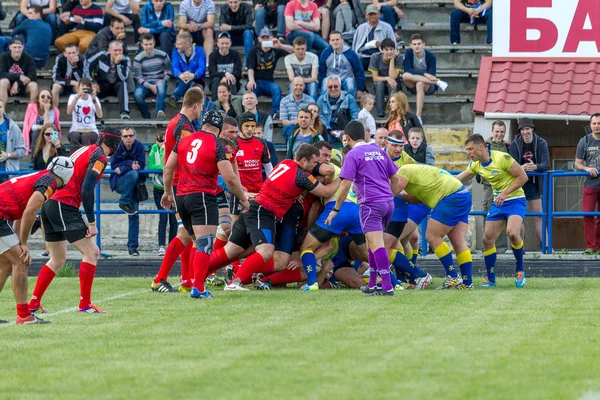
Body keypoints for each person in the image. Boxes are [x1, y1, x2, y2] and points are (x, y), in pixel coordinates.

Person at [207, 143, 340, 291]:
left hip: (256, 208)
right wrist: (344, 177)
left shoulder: (285, 163)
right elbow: (327, 192)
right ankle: (235, 282)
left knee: (232, 251)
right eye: (315, 162)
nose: (317, 165)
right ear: (303, 160)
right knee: (265, 252)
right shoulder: (301, 175)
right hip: (263, 212)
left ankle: (197, 275)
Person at [28, 126, 121, 314]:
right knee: (92, 252)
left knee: (58, 258)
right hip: (64, 204)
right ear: (114, 143)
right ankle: (84, 304)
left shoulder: (86, 149)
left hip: (50, 203)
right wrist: (92, 223)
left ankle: (34, 303)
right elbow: (87, 190)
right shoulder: (99, 157)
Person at [161, 110, 248, 299]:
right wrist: (243, 198)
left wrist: (168, 192)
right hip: (202, 195)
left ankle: (187, 280)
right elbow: (230, 179)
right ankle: (198, 287)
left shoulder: (184, 140)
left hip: (181, 196)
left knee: (191, 239)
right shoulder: (217, 145)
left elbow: (168, 168)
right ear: (218, 128)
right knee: (205, 243)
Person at [325, 121, 401, 296]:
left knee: (376, 244)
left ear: (347, 138)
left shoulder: (353, 154)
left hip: (370, 204)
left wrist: (336, 209)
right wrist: (390, 195)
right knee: (371, 243)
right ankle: (373, 283)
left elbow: (345, 185)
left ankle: (387, 286)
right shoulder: (379, 152)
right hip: (387, 203)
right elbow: (396, 178)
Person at [0, 156, 73, 324]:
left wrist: (19, 242)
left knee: (5, 264)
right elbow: (29, 212)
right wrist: (23, 245)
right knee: (21, 261)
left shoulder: (41, 176)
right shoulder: (49, 183)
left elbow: (21, 213)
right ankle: (24, 315)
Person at [151, 87, 204, 293]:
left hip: (178, 183)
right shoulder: (184, 126)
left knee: (187, 232)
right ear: (196, 105)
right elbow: (188, 157)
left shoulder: (175, 121)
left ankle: (186, 279)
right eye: (201, 107)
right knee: (187, 233)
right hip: (184, 183)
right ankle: (161, 278)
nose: (200, 111)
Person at [458, 134, 528, 287]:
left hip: (515, 200)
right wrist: (440, 180)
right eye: (467, 150)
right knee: (487, 238)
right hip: (499, 203)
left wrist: (505, 193)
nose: (468, 153)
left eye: (470, 149)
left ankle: (520, 271)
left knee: (512, 233)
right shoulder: (476, 164)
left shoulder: (502, 157)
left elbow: (523, 177)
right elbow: (459, 178)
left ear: (481, 147)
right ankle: (491, 279)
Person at [299, 141, 366, 290]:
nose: (326, 159)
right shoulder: (343, 171)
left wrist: (310, 229)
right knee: (369, 253)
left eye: (329, 156)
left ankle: (312, 284)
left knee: (306, 249)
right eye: (324, 155)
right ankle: (393, 281)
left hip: (337, 211)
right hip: (355, 212)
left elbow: (316, 206)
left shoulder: (321, 169)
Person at [395, 163, 473, 289]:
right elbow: (416, 199)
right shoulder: (414, 170)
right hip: (462, 193)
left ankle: (452, 276)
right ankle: (467, 283)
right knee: (458, 241)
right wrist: (402, 196)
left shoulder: (402, 171)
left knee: (432, 236)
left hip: (450, 196)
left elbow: (392, 191)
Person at [382, 130, 432, 289]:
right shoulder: (377, 155)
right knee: (402, 240)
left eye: (401, 146)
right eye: (394, 145)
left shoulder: (409, 162)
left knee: (387, 246)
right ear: (386, 143)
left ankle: (414, 276)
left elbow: (415, 187)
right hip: (387, 204)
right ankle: (405, 278)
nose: (398, 149)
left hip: (402, 204)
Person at [509, 118, 549, 249]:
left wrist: (535, 167)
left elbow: (546, 164)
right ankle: (520, 248)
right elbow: (510, 166)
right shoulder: (515, 145)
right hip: (518, 185)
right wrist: (522, 168)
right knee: (519, 218)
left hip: (534, 185)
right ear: (520, 132)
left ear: (532, 129)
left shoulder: (541, 143)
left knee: (538, 216)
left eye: (528, 129)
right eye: (523, 129)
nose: (526, 132)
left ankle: (548, 247)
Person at [109, 127, 146, 256]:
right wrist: (130, 164)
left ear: (134, 136)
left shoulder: (139, 146)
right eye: (125, 136)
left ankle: (132, 247)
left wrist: (123, 166)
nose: (128, 138)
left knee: (134, 214)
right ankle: (123, 200)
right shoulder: (117, 147)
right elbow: (113, 166)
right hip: (120, 183)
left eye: (130, 135)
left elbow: (141, 163)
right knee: (133, 174)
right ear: (121, 137)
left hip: (135, 186)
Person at [231, 112, 273, 218]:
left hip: (257, 193)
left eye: (253, 126)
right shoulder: (233, 143)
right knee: (234, 227)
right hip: (239, 192)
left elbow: (269, 168)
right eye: (247, 126)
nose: (250, 129)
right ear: (240, 126)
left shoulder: (261, 143)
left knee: (255, 223)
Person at [246, 28, 293, 118]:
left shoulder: (275, 50)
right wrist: (251, 80)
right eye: (263, 38)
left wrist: (281, 45)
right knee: (249, 93)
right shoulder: (254, 50)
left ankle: (275, 113)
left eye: (267, 38)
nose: (265, 40)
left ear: (271, 38)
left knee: (276, 89)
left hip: (268, 82)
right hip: (256, 82)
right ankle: (250, 113)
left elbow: (295, 51)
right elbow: (250, 67)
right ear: (259, 39)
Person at [402, 33, 448, 122]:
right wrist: (424, 74)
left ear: (423, 44)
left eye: (419, 44)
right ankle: (438, 82)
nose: (417, 46)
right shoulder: (409, 53)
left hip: (427, 86)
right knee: (405, 76)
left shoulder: (431, 56)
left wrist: (425, 76)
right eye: (414, 44)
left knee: (420, 83)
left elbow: (431, 75)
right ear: (411, 45)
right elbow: (407, 69)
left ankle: (418, 116)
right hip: (413, 84)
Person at [480, 120, 510, 252]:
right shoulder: (484, 146)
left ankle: (502, 248)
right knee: (488, 215)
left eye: (502, 132)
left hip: (504, 188)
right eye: (497, 131)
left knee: (502, 216)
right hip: (489, 187)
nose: (499, 134)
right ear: (492, 132)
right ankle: (487, 246)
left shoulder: (508, 147)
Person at [86, 40, 131, 120]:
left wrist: (118, 64)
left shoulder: (126, 59)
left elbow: (123, 77)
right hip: (103, 84)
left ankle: (124, 112)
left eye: (120, 50)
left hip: (117, 85)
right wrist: (92, 82)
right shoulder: (101, 56)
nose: (118, 53)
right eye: (115, 50)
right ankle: (94, 114)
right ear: (109, 51)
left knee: (123, 83)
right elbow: (88, 65)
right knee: (92, 90)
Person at [148, 132, 177, 257]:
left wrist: (167, 168)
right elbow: (153, 166)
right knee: (163, 216)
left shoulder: (173, 148)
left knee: (174, 219)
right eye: (159, 141)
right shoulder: (155, 149)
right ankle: (161, 246)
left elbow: (170, 167)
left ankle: (172, 246)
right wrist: (161, 151)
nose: (161, 143)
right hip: (159, 189)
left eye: (164, 141)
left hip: (172, 188)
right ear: (156, 141)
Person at [575, 113, 600, 255]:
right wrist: (587, 168)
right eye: (594, 123)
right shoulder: (584, 141)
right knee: (588, 215)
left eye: (599, 123)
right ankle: (591, 247)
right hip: (590, 184)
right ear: (590, 125)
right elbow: (577, 164)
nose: (597, 126)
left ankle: (599, 246)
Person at [133, 33, 171, 120]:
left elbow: (168, 70)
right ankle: (146, 116)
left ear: (154, 43)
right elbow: (138, 77)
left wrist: (163, 79)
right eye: (146, 44)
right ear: (142, 45)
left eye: (150, 44)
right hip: (145, 83)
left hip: (159, 80)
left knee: (161, 86)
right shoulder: (138, 59)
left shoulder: (163, 55)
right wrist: (150, 86)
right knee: (137, 94)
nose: (148, 47)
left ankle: (160, 111)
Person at [319, 31, 365, 97]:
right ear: (330, 42)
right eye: (333, 40)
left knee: (350, 82)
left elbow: (359, 71)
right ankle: (324, 105)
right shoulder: (325, 53)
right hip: (331, 80)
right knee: (325, 82)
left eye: (337, 39)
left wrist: (360, 89)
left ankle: (349, 104)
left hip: (345, 80)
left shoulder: (351, 53)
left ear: (342, 40)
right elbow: (321, 72)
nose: (335, 42)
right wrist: (319, 87)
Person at [166, 31, 206, 107]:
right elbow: (174, 67)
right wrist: (180, 74)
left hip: (198, 80)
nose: (176, 46)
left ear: (187, 44)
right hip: (182, 80)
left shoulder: (200, 51)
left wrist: (193, 75)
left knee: (193, 81)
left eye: (179, 44)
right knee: (191, 84)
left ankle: (174, 97)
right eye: (176, 43)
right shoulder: (175, 52)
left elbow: (202, 67)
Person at [316, 75, 360, 142]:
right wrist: (329, 131)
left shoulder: (349, 98)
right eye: (330, 87)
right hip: (328, 132)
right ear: (327, 87)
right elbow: (320, 117)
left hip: (347, 132)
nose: (333, 89)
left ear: (340, 86)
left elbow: (355, 115)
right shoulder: (321, 100)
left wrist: (347, 130)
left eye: (336, 86)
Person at [352, 4, 395, 71]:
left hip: (381, 57)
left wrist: (382, 45)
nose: (372, 16)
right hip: (364, 57)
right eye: (370, 14)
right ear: (366, 15)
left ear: (379, 14)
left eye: (374, 14)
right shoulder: (360, 28)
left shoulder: (387, 27)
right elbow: (356, 48)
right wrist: (370, 45)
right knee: (356, 67)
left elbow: (393, 45)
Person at [0, 36, 38, 109]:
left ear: (23, 47)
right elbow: (1, 73)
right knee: (3, 81)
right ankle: (1, 112)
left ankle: (32, 114)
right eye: (14, 47)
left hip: (23, 86)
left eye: (19, 47)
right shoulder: (4, 57)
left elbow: (33, 76)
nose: (17, 50)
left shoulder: (28, 58)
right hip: (7, 86)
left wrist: (18, 83)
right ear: (10, 47)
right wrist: (19, 77)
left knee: (34, 85)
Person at [66, 78, 103, 150]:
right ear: (78, 88)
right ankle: (73, 160)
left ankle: (87, 159)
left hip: (91, 130)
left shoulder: (94, 99)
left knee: (85, 137)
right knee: (75, 136)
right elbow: (68, 112)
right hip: (75, 129)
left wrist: (94, 99)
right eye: (83, 87)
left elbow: (100, 115)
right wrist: (77, 96)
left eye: (87, 87)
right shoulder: (73, 97)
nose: (85, 89)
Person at [22, 88, 61, 155]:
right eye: (43, 96)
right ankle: (33, 160)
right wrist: (42, 127)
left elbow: (48, 127)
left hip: (50, 133)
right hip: (33, 134)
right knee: (36, 133)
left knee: (49, 134)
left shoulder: (53, 110)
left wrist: (46, 111)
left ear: (50, 100)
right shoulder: (31, 107)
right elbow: (31, 127)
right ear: (38, 99)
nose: (45, 98)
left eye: (48, 97)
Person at [369, 38, 401, 118]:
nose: (389, 52)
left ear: (394, 50)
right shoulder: (375, 57)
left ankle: (393, 113)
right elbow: (375, 78)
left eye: (391, 49)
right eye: (386, 50)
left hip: (393, 84)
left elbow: (393, 76)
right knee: (380, 84)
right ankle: (380, 114)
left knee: (392, 84)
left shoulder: (399, 58)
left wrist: (392, 59)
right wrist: (387, 78)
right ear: (382, 50)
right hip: (380, 85)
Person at [208, 32, 243, 101]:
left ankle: (233, 107)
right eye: (222, 43)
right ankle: (215, 106)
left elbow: (238, 71)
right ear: (218, 44)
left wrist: (228, 77)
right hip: (217, 82)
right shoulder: (213, 56)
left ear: (230, 43)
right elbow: (212, 73)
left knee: (231, 80)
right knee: (216, 79)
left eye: (227, 43)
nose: (224, 46)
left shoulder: (235, 54)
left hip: (232, 83)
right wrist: (225, 75)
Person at [218, 0, 254, 67]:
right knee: (224, 33)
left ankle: (248, 64)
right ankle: (225, 63)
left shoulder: (247, 7)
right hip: (231, 37)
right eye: (231, 2)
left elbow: (249, 26)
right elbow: (222, 26)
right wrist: (228, 28)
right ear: (227, 2)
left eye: (235, 2)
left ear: (240, 1)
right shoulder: (223, 8)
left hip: (244, 37)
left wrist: (231, 27)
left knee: (248, 32)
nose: (233, 5)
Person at [280, 77, 315, 143]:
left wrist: (299, 123)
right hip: (290, 128)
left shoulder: (310, 101)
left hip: (306, 127)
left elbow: (312, 119)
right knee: (291, 128)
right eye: (296, 85)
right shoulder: (284, 101)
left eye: (301, 85)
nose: (298, 87)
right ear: (292, 86)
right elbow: (284, 121)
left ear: (304, 87)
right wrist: (296, 123)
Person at [51, 43, 87, 108]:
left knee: (81, 88)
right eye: (69, 53)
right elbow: (55, 78)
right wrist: (70, 82)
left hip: (75, 85)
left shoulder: (82, 59)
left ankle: (82, 112)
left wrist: (74, 66)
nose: (72, 55)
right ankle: (54, 112)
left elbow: (81, 79)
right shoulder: (60, 58)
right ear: (65, 54)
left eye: (74, 53)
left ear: (77, 52)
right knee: (55, 87)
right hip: (62, 83)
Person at [285, 36, 319, 101]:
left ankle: (313, 107)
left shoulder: (313, 57)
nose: (300, 51)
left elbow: (314, 78)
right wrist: (299, 83)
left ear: (306, 47)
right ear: (293, 49)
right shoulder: (288, 58)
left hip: (310, 83)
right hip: (297, 82)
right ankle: (292, 107)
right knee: (291, 86)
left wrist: (299, 80)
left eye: (302, 49)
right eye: (298, 49)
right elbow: (291, 78)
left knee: (313, 86)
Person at [0, 100, 26, 184]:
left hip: (7, 174)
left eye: (0, 107)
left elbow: (22, 151)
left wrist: (8, 155)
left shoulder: (13, 127)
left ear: (3, 109)